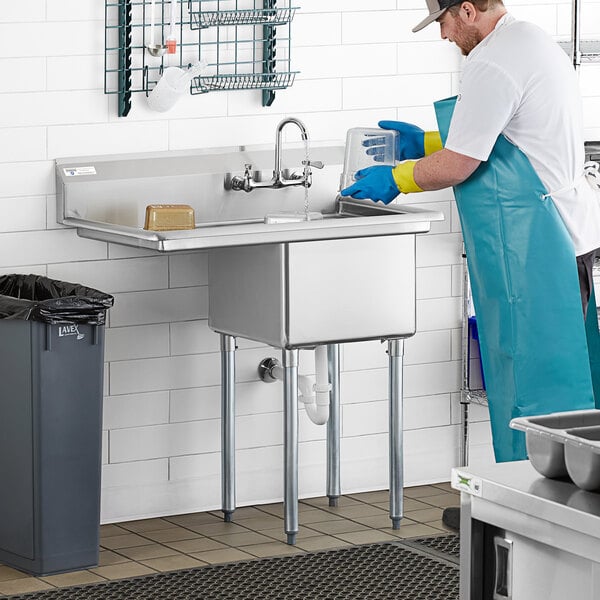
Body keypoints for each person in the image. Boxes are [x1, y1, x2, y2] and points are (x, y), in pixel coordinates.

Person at [342, 0, 600, 530]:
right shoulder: (531, 40)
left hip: (537, 246)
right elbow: (510, 135)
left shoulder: (490, 59)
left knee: (535, 387)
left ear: (465, 9)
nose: (442, 37)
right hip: (568, 235)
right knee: (565, 388)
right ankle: (549, 516)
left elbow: (463, 163)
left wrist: (400, 176)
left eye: (441, 23)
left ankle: (529, 524)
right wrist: (431, 141)